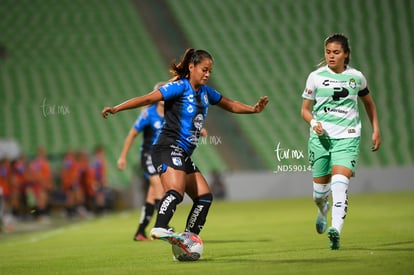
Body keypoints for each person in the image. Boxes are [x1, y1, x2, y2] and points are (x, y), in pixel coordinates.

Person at [102, 48, 268, 250]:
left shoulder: (207, 93)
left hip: (182, 153)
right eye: (204, 69)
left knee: (205, 197)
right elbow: (147, 99)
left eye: (210, 71)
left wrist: (253, 109)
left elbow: (230, 104)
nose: (207, 74)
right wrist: (117, 108)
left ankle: (188, 240)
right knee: (175, 191)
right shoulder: (179, 87)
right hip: (167, 147)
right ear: (192, 67)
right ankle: (160, 227)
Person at [301, 33, 381, 250]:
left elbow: (369, 103)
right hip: (320, 139)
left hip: (348, 137)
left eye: (336, 52)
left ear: (346, 54)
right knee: (319, 194)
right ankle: (322, 209)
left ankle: (335, 229)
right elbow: (305, 110)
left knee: (340, 183)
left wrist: (376, 129)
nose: (331, 56)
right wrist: (314, 122)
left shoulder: (357, 77)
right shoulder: (315, 77)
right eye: (328, 52)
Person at [117, 82, 166, 241]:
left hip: (162, 157)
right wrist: (123, 156)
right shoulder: (148, 114)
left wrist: (199, 130)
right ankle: (163, 226)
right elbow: (132, 134)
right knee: (158, 185)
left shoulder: (172, 114)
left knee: (152, 195)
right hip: (148, 156)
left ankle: (140, 232)